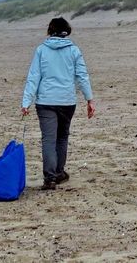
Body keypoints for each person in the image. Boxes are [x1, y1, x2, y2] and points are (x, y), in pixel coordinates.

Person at [20, 17, 96, 190]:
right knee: (62, 137)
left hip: (45, 101)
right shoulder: (74, 50)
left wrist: (26, 102)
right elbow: (82, 76)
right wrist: (89, 99)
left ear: (50, 31)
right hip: (67, 101)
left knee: (49, 139)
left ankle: (50, 178)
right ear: (66, 31)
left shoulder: (41, 50)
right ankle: (59, 172)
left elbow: (34, 77)